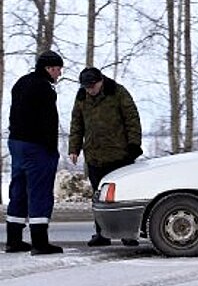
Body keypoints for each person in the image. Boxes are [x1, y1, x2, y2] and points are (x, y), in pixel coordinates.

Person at [68, 67, 143, 247]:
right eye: (86, 87)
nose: (90, 90)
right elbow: (77, 123)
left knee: (124, 197)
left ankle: (128, 234)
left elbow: (132, 119)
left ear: (100, 81)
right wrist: (74, 148)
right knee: (98, 198)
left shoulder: (117, 92)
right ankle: (102, 234)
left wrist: (134, 146)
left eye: (92, 86)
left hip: (120, 155)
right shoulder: (81, 97)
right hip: (94, 156)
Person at [5, 50, 64, 255]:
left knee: (18, 189)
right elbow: (48, 122)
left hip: (16, 143)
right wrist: (51, 149)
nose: (59, 74)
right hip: (37, 146)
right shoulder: (44, 88)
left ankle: (13, 240)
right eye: (58, 70)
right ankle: (40, 242)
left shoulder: (21, 82)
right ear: (49, 68)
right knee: (39, 192)